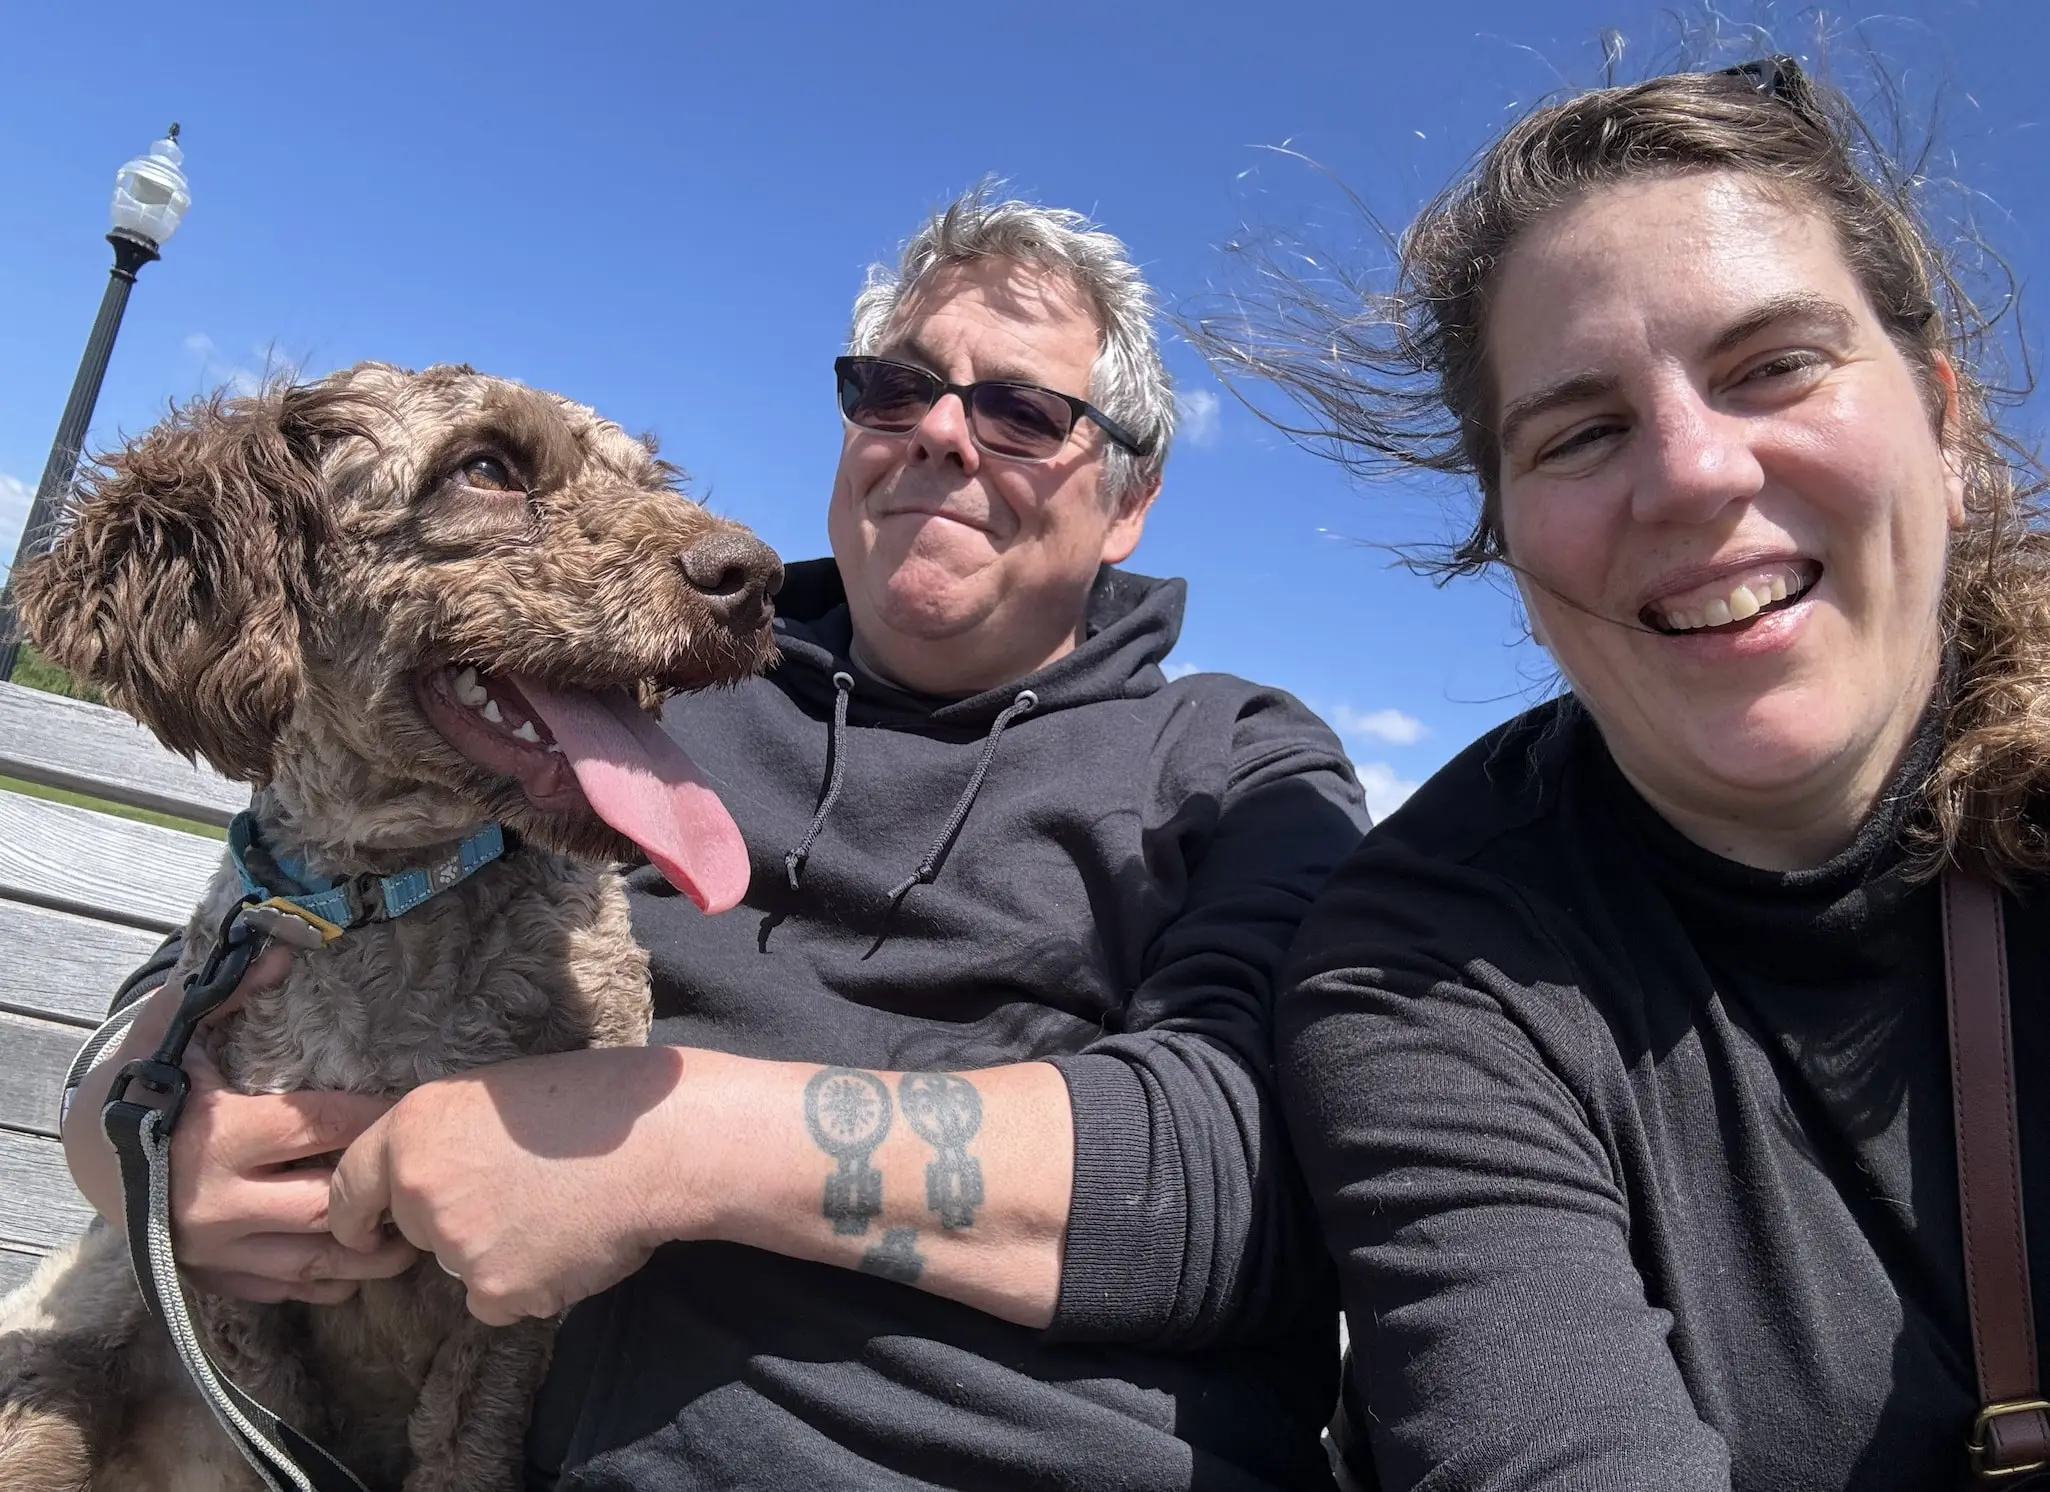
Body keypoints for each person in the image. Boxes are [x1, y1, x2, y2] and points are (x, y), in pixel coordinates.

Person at [63, 186, 1371, 1489]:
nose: (939, 437)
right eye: (894, 388)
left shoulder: (1236, 761)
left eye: (1021, 411)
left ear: (1129, 496)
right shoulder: (644, 692)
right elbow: (310, 885)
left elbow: (1240, 1180)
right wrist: (127, 1127)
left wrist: (668, 1150)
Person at [1199, 54, 2049, 1491]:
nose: (1691, 474)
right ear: (1509, 548)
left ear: (1942, 424)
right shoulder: (1424, 969)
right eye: (1581, 431)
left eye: (1771, 363)